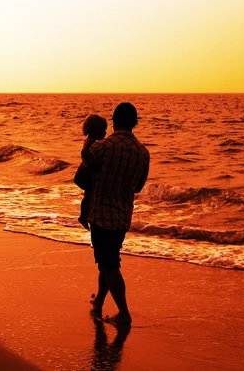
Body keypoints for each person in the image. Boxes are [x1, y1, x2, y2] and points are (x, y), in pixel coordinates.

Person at [87, 102, 149, 325]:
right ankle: (100, 301)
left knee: (109, 264)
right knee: (108, 261)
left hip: (101, 215)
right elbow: (139, 187)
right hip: (123, 217)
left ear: (113, 121)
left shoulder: (102, 147)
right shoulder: (142, 153)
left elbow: (82, 177)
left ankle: (124, 313)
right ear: (134, 123)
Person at [77, 114, 107, 230]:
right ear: (94, 130)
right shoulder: (91, 142)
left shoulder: (90, 141)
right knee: (88, 195)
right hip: (88, 172)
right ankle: (83, 216)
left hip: (88, 171)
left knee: (88, 195)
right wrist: (95, 163)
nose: (105, 133)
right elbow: (85, 153)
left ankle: (84, 216)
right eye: (103, 130)